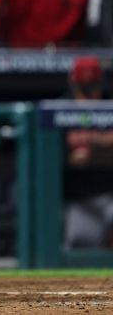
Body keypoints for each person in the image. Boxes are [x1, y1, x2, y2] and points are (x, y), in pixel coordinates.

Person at [62, 56, 113, 249]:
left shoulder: (110, 104)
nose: (89, 95)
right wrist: (70, 160)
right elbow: (49, 164)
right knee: (79, 246)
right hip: (82, 199)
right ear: (73, 84)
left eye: (93, 87)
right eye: (84, 89)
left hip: (111, 192)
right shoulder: (59, 109)